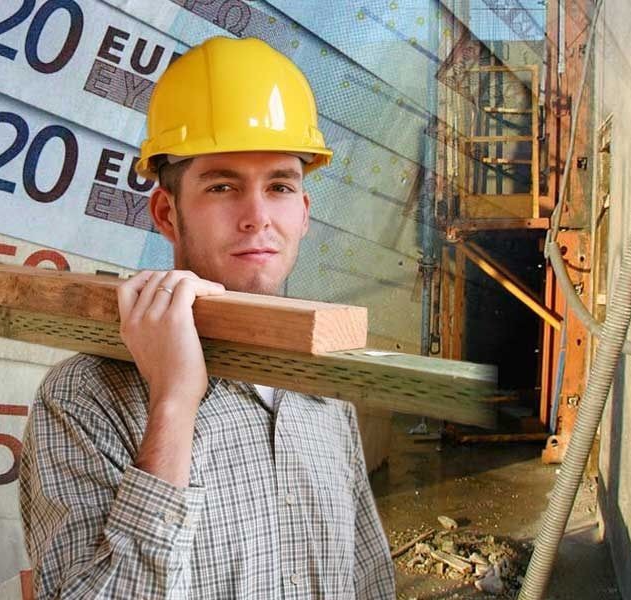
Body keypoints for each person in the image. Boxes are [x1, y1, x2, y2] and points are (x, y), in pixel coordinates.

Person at [19, 36, 395, 599]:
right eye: (223, 186)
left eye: (280, 186)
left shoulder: (323, 381)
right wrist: (172, 402)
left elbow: (366, 575)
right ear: (167, 212)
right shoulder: (82, 398)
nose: (257, 217)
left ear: (304, 211)